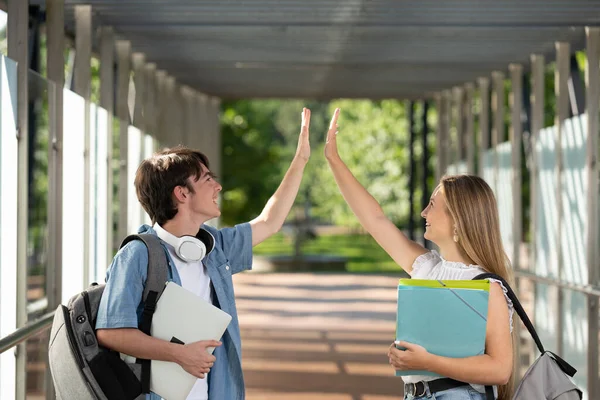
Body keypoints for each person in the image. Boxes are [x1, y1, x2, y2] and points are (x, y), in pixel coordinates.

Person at [95, 108, 313, 400]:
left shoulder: (214, 247)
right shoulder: (137, 255)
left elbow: (269, 222)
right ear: (182, 194)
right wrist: (179, 354)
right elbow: (111, 333)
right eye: (207, 179)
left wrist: (300, 161)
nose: (218, 186)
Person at [324, 108, 514, 400]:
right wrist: (334, 160)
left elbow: (501, 370)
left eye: (432, 205)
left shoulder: (488, 286)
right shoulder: (427, 267)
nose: (424, 212)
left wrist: (425, 362)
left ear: (458, 219)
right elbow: (375, 220)